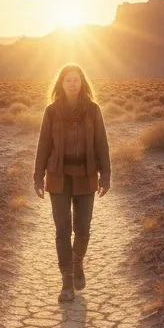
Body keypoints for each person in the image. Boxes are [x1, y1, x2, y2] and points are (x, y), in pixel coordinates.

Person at [33, 63, 111, 302]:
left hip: (86, 175)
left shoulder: (93, 110)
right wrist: (38, 176)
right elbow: (44, 144)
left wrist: (105, 175)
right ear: (61, 83)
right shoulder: (51, 111)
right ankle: (66, 281)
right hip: (59, 177)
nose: (72, 84)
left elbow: (101, 144)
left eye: (76, 80)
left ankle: (78, 262)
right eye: (68, 80)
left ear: (82, 82)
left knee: (83, 229)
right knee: (62, 229)